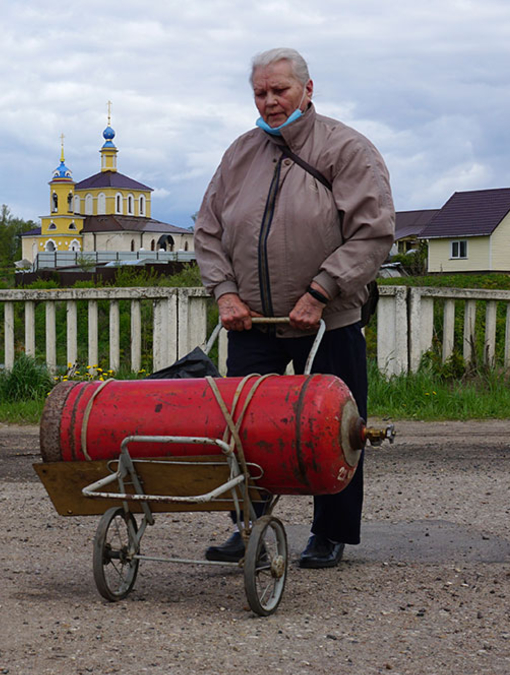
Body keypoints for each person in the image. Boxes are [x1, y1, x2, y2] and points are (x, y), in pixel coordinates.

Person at [193, 47, 395, 569]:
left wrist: (320, 292)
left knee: (337, 430)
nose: (269, 102)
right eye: (260, 93)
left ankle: (330, 532)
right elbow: (208, 230)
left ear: (307, 89)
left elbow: (372, 233)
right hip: (252, 322)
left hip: (328, 322)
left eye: (279, 90)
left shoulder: (348, 149)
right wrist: (225, 293)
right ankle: (249, 525)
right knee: (242, 431)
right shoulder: (239, 154)